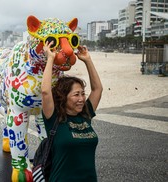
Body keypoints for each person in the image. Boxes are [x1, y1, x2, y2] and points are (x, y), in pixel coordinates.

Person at [41, 41, 103, 181]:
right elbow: (45, 92)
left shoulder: (85, 115)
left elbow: (97, 89)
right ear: (63, 98)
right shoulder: (54, 118)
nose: (81, 98)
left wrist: (87, 60)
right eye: (76, 95)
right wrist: (50, 58)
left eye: (82, 93)